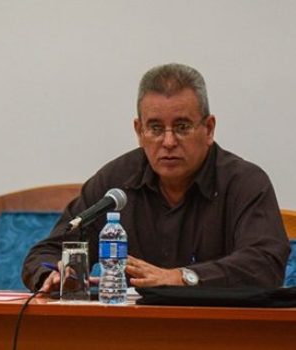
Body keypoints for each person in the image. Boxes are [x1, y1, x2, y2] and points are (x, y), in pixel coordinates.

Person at [22, 63, 290, 292]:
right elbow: (46, 253)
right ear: (139, 130)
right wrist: (53, 274)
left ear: (209, 129)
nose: (169, 141)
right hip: (133, 332)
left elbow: (265, 264)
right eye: (156, 128)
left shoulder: (244, 183)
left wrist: (181, 277)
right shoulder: (115, 182)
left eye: (182, 127)